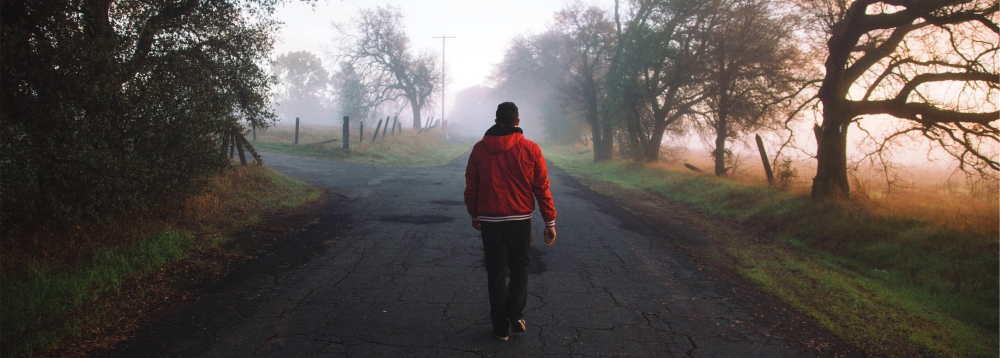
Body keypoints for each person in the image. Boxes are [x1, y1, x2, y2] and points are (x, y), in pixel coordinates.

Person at [464, 102, 557, 341]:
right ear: (518, 122)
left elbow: (471, 186)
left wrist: (475, 215)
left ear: (496, 121)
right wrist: (550, 221)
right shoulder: (531, 149)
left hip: (490, 220)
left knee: (496, 272)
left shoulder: (479, 149)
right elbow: (542, 187)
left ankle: (500, 327)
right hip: (520, 219)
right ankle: (515, 314)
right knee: (520, 267)